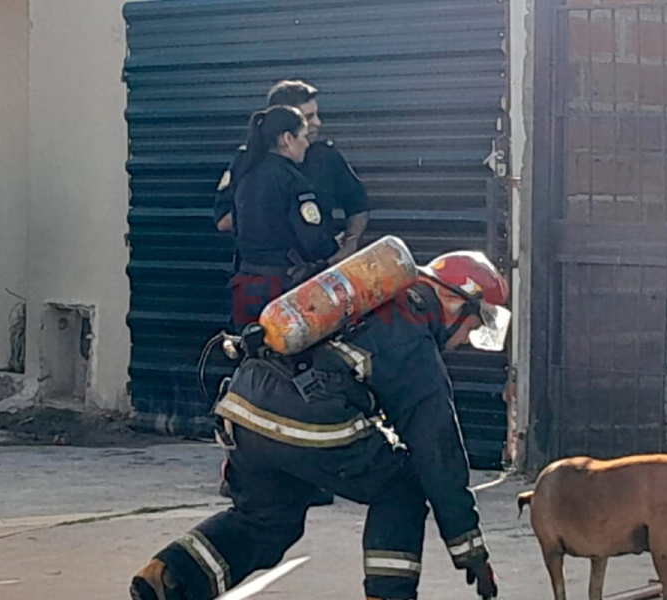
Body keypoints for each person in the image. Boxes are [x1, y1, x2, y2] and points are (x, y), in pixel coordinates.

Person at [130, 250, 509, 600]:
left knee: (266, 522)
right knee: (404, 489)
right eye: (473, 327)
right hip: (309, 421)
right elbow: (438, 455)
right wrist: (471, 550)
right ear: (453, 302)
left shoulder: (363, 301)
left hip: (244, 406)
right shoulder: (413, 344)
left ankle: (167, 576)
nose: (465, 342)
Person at [214, 79, 372, 266]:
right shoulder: (248, 160)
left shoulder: (326, 157)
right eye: (309, 117)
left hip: (316, 271)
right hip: (267, 274)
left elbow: (358, 205)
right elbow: (224, 221)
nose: (317, 123)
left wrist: (349, 243)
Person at [227, 104, 339, 329]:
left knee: (250, 357)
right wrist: (335, 249)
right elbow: (312, 239)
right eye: (304, 137)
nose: (307, 144)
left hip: (245, 287)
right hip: (281, 291)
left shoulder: (245, 175)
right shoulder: (292, 181)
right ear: (287, 139)